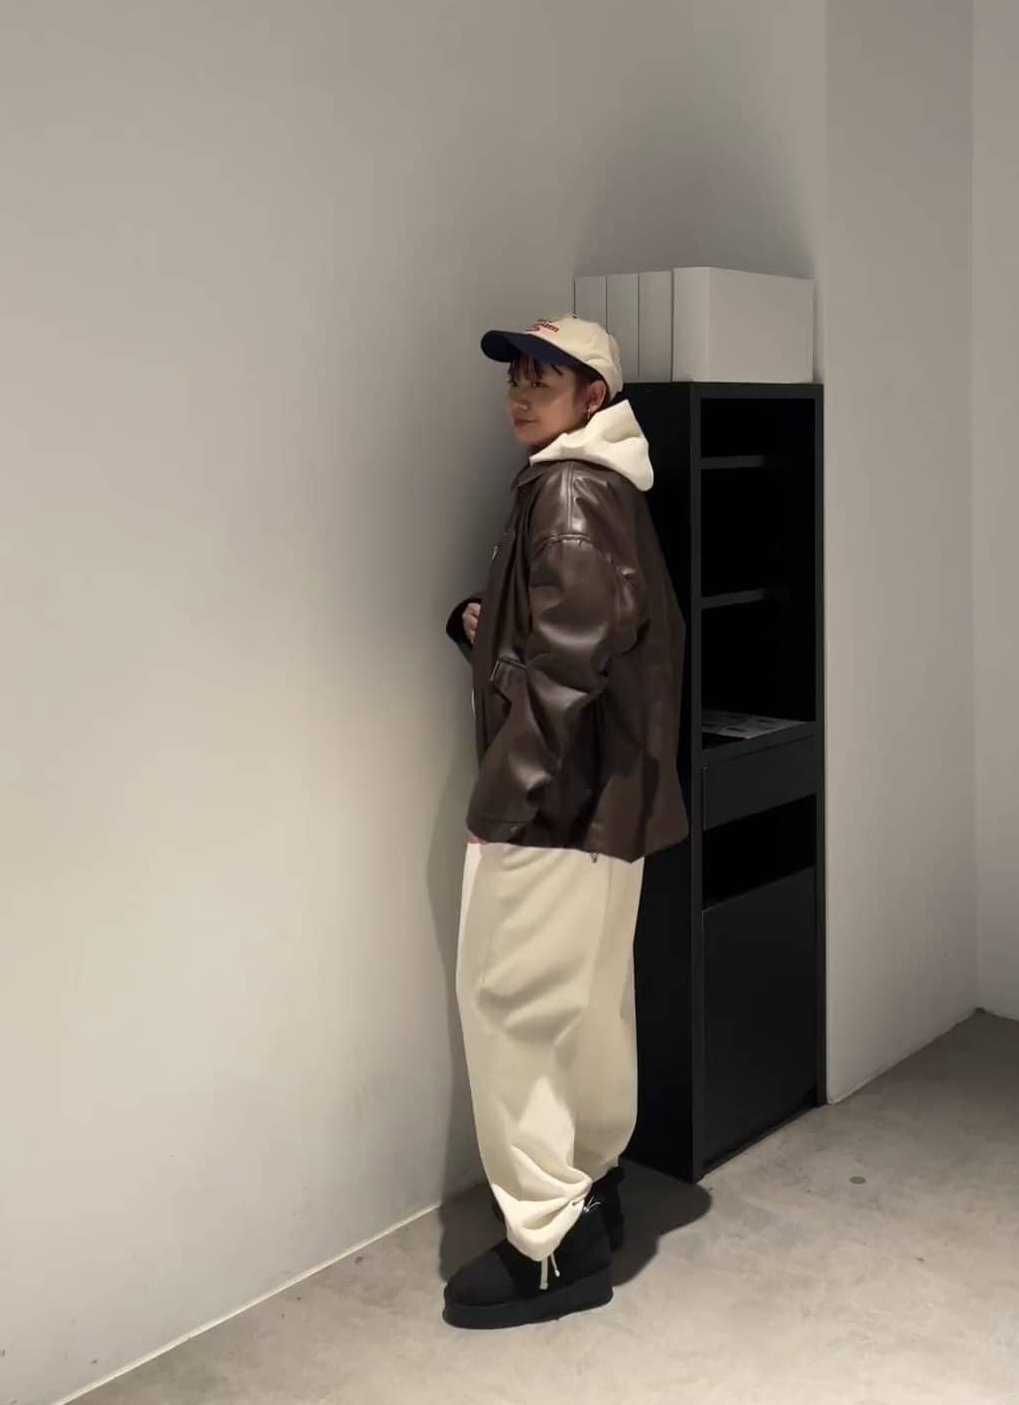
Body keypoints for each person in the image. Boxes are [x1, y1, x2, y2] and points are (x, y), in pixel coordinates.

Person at [442, 315, 688, 1330]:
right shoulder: (605, 485)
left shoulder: (569, 492)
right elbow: (583, 637)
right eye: (516, 377)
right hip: (606, 808)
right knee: (585, 1007)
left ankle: (547, 1245)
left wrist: (501, 799)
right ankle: (592, 1187)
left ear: (594, 398)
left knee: (509, 1008)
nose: (520, 394)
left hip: (552, 808)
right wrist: (483, 625)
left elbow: (568, 668)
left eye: (544, 380)